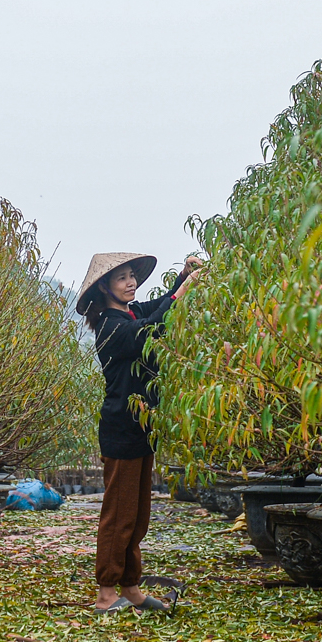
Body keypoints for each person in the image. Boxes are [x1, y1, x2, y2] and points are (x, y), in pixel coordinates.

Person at [75, 250, 204, 613]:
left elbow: (160, 307)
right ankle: (105, 593)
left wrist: (182, 278)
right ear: (105, 286)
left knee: (138, 513)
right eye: (122, 278)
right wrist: (183, 292)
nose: (131, 282)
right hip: (121, 429)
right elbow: (152, 329)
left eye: (132, 276)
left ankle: (130, 587)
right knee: (118, 514)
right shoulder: (110, 326)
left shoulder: (130, 312)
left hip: (143, 429)